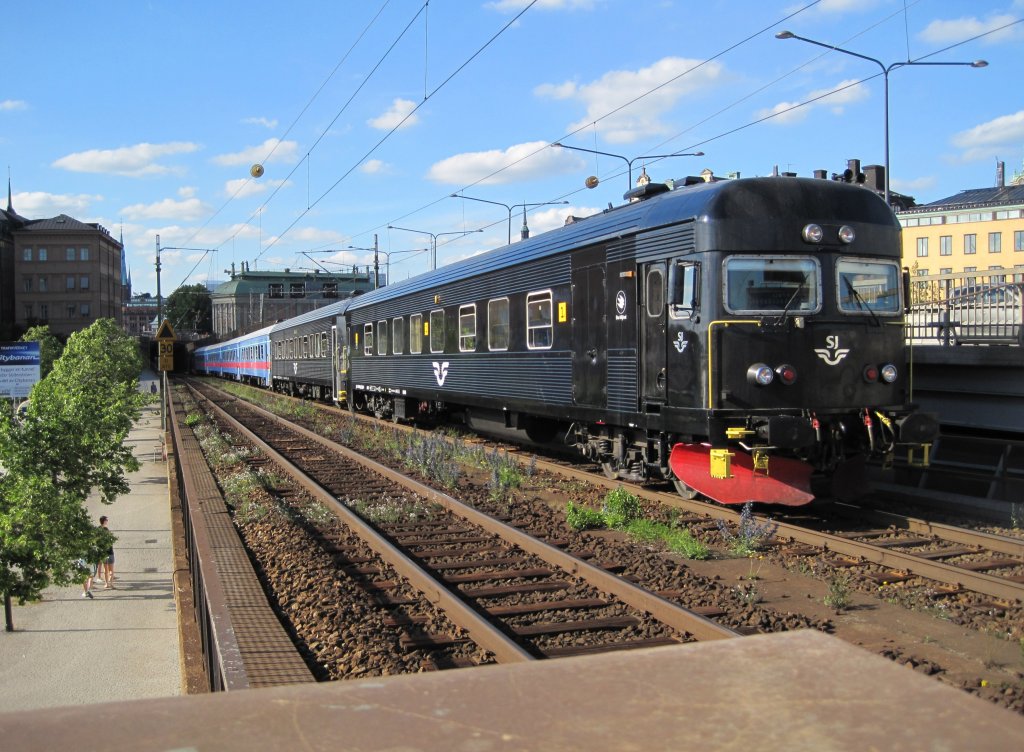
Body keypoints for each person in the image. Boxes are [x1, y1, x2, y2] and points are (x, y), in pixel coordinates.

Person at [98, 516, 116, 589]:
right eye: (106, 520)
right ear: (104, 521)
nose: (107, 521)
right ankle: (111, 583)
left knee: (106, 570)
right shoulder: (106, 529)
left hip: (103, 553)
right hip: (110, 552)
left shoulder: (98, 530)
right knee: (111, 570)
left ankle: (106, 584)